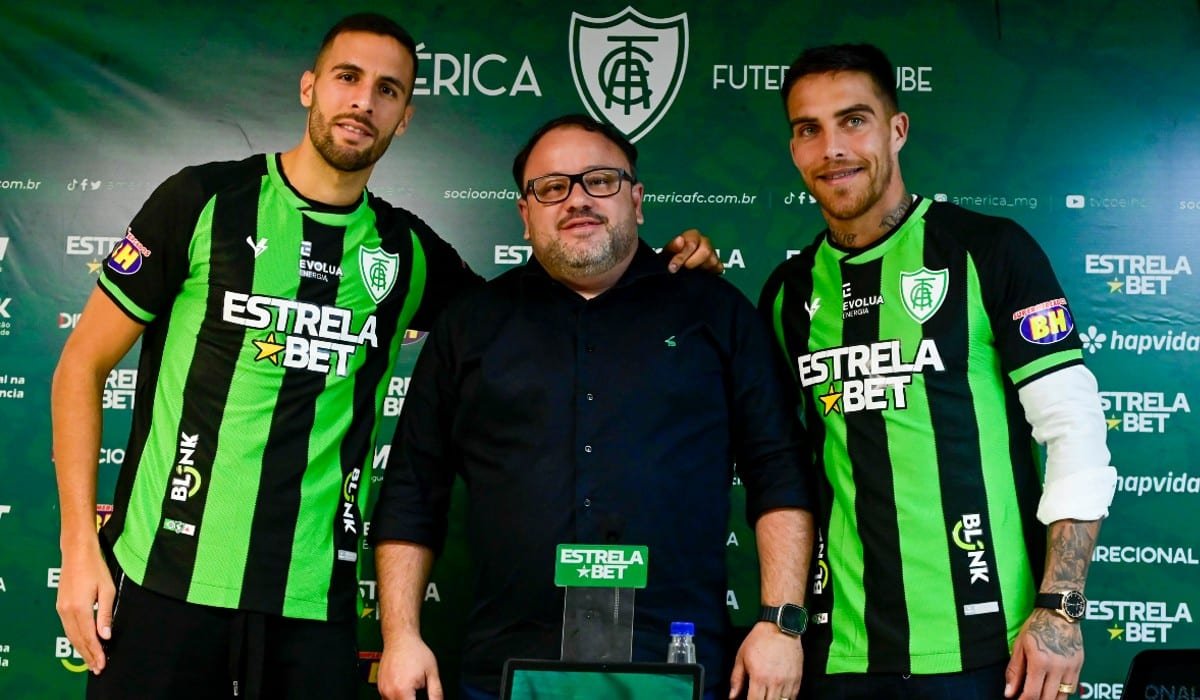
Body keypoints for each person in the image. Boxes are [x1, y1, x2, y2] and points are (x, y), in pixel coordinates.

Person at [50, 14, 717, 699]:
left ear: (404, 118)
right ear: (310, 87)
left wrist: (661, 262)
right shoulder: (203, 201)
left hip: (315, 603)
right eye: (348, 78)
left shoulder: (408, 252)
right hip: (165, 580)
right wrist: (79, 547)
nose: (364, 100)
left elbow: (542, 301)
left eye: (388, 90)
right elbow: (81, 367)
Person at [370, 113, 816, 700]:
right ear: (524, 215)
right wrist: (400, 636)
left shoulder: (716, 313)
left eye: (600, 181)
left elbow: (778, 472)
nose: (577, 199)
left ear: (637, 198)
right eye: (551, 187)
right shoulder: (471, 325)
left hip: (680, 661)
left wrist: (781, 622)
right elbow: (411, 490)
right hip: (507, 664)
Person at [759, 43, 1118, 700]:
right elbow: (783, 467)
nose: (831, 146)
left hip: (991, 649)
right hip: (836, 655)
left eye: (853, 120)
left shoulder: (989, 251)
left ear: (897, 129)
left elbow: (1075, 431)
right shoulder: (787, 294)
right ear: (794, 150)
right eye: (809, 129)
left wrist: (1060, 607)